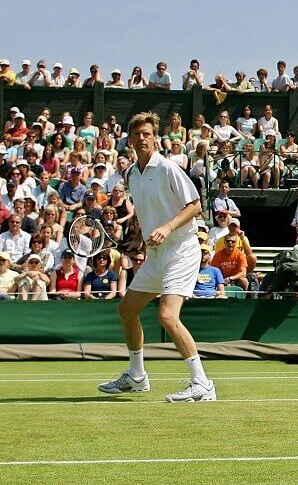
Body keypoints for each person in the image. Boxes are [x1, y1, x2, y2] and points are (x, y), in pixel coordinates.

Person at [97, 112, 215, 403]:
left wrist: (166, 227)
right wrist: (141, 237)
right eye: (137, 134)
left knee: (166, 315)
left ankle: (203, 384)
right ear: (130, 140)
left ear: (155, 137)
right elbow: (147, 212)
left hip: (182, 250)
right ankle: (137, 376)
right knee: (126, 310)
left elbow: (195, 206)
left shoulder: (167, 168)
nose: (142, 138)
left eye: (147, 133)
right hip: (155, 253)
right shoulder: (131, 174)